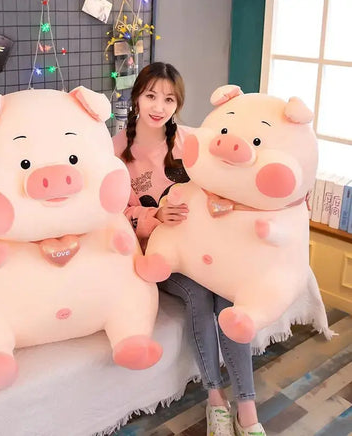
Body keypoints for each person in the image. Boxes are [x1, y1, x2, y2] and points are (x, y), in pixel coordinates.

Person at [112, 62, 267, 436]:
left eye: (168, 99)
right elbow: (115, 211)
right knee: (198, 297)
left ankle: (247, 411)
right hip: (162, 255)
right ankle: (216, 401)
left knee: (228, 301)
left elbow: (217, 183)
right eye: (150, 95)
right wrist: (154, 215)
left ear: (177, 104)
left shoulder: (188, 141)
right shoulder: (117, 148)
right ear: (136, 97)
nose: (158, 106)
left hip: (205, 249)